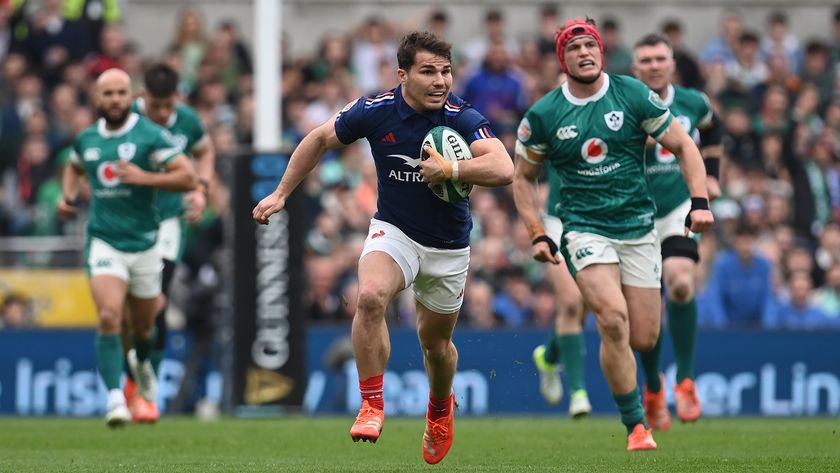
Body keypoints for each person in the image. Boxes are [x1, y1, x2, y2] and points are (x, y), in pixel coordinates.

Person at [252, 31, 512, 464]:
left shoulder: (461, 116)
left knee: (437, 347)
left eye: (446, 71)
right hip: (395, 231)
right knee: (370, 297)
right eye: (428, 71)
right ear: (402, 75)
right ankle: (372, 403)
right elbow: (318, 139)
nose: (440, 81)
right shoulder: (374, 111)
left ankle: (439, 409)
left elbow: (503, 166)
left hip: (448, 247)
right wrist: (281, 193)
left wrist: (453, 168)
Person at [512, 18, 713, 451]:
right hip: (583, 228)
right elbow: (522, 178)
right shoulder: (544, 115)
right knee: (612, 319)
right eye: (574, 48)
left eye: (591, 46)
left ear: (601, 52)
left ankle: (643, 390)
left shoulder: (633, 94)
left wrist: (699, 201)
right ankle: (636, 424)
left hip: (638, 226)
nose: (584, 53)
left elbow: (684, 145)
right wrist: (537, 233)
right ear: (561, 59)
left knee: (644, 337)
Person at [58, 68, 197, 427]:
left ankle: (141, 366)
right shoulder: (87, 138)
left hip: (146, 243)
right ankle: (115, 400)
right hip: (105, 240)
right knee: (109, 316)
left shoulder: (150, 135)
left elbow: (187, 177)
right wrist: (69, 196)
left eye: (121, 93)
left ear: (129, 95)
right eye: (108, 94)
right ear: (97, 98)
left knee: (145, 329)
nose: (115, 99)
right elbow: (73, 167)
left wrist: (144, 177)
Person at [631, 33, 724, 431]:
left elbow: (713, 130)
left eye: (659, 58)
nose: (653, 65)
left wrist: (713, 179)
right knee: (645, 311)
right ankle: (653, 387)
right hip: (634, 214)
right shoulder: (624, 102)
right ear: (635, 68)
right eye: (646, 60)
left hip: (678, 207)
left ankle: (685, 380)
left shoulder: (693, 102)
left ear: (672, 63)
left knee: (681, 283)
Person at [119, 62, 215, 422]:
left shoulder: (187, 122)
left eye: (167, 105)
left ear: (176, 97)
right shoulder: (125, 119)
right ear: (144, 97)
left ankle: (145, 391)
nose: (161, 113)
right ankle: (132, 381)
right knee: (128, 308)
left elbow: (205, 152)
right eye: (155, 105)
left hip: (169, 221)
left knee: (155, 299)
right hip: (128, 222)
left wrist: (201, 190)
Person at [527, 165, 592, 419]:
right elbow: (528, 165)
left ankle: (549, 356)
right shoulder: (549, 125)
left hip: (597, 221)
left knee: (585, 304)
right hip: (556, 219)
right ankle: (578, 392)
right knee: (571, 302)